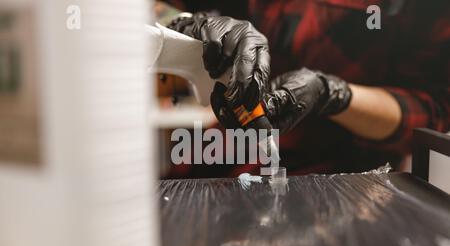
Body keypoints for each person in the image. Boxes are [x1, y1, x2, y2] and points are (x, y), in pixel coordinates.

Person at [160, 0, 449, 177]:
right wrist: (187, 25)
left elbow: (433, 113)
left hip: (342, 185)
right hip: (225, 151)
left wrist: (331, 94)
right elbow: (138, 11)